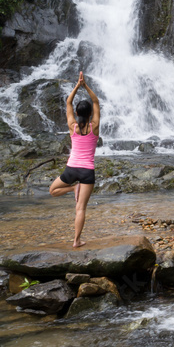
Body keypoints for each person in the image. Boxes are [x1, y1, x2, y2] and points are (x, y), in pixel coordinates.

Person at [49, 71, 100, 248]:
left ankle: (72, 188)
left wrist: (77, 86)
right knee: (81, 209)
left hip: (71, 169)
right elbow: (96, 101)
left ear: (77, 113)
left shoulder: (73, 126)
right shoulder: (95, 127)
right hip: (87, 172)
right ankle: (76, 240)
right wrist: (86, 85)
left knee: (53, 190)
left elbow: (68, 102)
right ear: (91, 114)